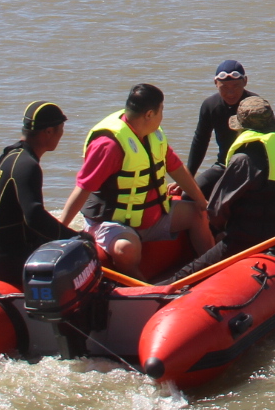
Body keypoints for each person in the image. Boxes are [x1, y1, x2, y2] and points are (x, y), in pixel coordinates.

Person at [61, 83, 213, 276]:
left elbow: (175, 167)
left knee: (196, 213)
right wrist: (60, 230)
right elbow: (83, 188)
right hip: (114, 222)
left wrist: (200, 200)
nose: (162, 116)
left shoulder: (153, 134)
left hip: (153, 215)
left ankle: (211, 269)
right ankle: (146, 294)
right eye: (161, 111)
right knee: (126, 249)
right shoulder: (109, 145)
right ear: (149, 114)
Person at [0, 101, 79, 286]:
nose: (62, 135)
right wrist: (75, 238)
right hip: (13, 263)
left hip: (1, 256)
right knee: (81, 256)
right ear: (48, 131)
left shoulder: (11, 156)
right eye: (61, 129)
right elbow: (34, 217)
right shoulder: (27, 166)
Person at [205, 96, 275, 253]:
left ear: (243, 129)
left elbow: (216, 209)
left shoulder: (244, 160)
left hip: (246, 240)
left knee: (185, 274)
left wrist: (220, 232)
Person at [187, 59, 253, 199]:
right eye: (224, 87)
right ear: (215, 83)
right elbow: (200, 141)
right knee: (188, 195)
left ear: (245, 81)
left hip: (252, 170)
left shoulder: (256, 106)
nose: (230, 93)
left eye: (236, 86)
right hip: (223, 165)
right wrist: (188, 177)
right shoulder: (210, 105)